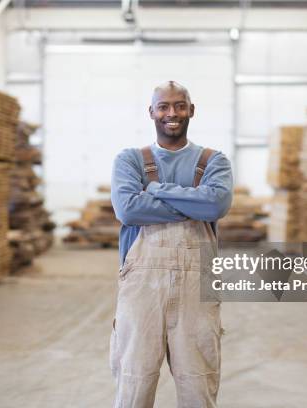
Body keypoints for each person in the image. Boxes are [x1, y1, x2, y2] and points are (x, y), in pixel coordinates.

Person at [109, 81, 233, 408]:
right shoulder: (129, 160)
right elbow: (128, 209)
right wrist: (192, 204)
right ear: (151, 112)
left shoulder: (214, 160)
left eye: (180, 106)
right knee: (134, 382)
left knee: (198, 386)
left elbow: (215, 206)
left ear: (191, 111)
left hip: (197, 285)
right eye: (163, 106)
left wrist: (155, 189)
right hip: (142, 287)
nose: (172, 113)